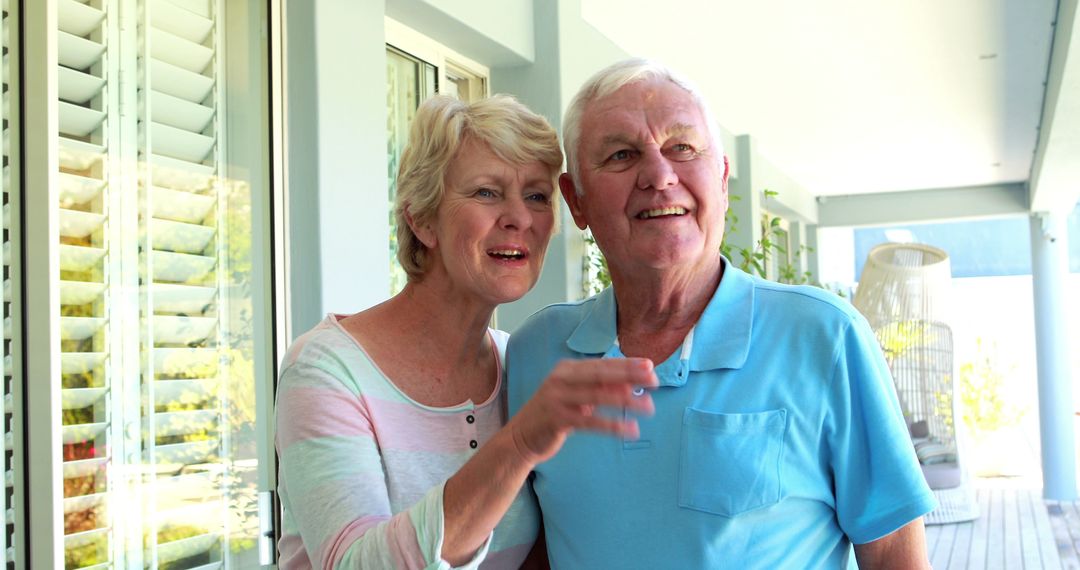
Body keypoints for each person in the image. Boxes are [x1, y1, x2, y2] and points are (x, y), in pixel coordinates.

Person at [506, 58, 937, 569]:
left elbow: (893, 556)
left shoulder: (825, 338)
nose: (659, 176)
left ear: (723, 178)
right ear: (576, 201)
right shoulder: (536, 352)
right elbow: (533, 547)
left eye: (682, 148)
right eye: (622, 155)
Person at [274, 94, 657, 569]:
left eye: (536, 196)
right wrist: (517, 446)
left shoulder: (519, 363)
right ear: (422, 218)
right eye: (486, 192)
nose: (519, 217)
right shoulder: (326, 370)